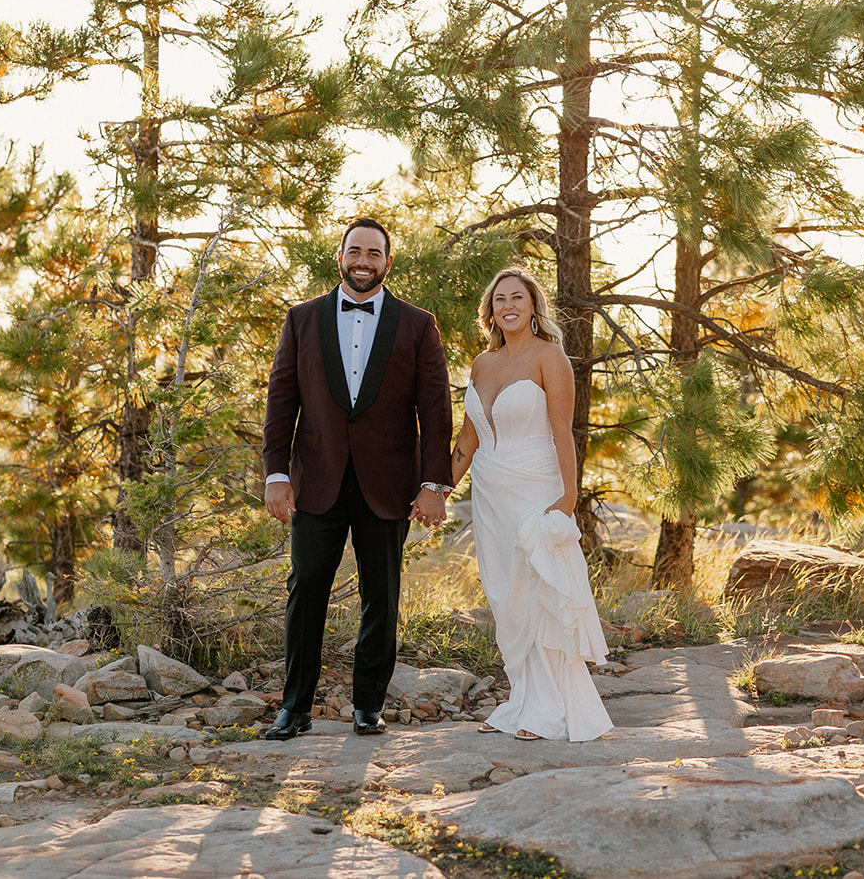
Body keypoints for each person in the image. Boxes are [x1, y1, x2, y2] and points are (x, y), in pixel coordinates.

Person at [260, 217, 454, 740]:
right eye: (355, 251)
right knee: (305, 592)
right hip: (315, 481)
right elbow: (281, 402)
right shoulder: (301, 319)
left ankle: (368, 705)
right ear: (339, 255)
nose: (363, 260)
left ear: (388, 262)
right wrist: (277, 474)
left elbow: (435, 409)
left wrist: (434, 485)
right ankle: (293, 707)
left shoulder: (418, 325)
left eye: (374, 253)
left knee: (381, 596)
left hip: (388, 483)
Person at [448, 266, 612, 742]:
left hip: (537, 488)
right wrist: (438, 489)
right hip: (491, 494)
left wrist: (568, 497)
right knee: (506, 596)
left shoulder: (550, 357)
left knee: (539, 590)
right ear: (491, 311)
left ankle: (550, 712)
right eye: (499, 299)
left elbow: (564, 432)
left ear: (533, 305)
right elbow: (468, 438)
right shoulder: (482, 364)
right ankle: (523, 700)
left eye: (517, 297)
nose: (508, 305)